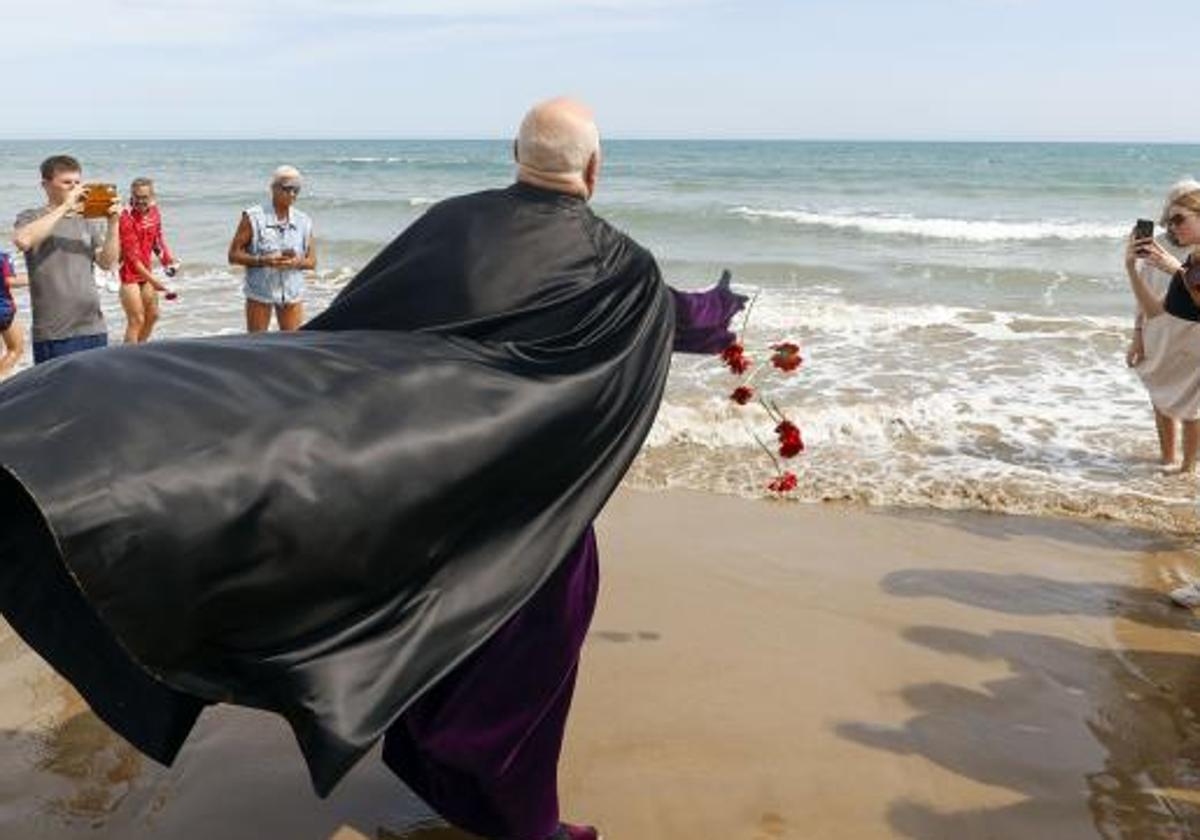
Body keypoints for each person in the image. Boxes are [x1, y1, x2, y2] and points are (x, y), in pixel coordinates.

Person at [0, 99, 744, 840]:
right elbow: (682, 316)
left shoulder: (453, 222)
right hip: (527, 504)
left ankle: (437, 768)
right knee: (534, 635)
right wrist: (733, 313)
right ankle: (523, 824)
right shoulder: (620, 265)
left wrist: (273, 410)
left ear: (513, 154)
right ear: (595, 167)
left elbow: (355, 331)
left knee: (429, 612)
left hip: (428, 490)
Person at [1127, 179, 1200, 609]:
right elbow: (1165, 311)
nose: (1171, 226)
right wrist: (1131, 270)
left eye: (1179, 218)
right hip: (1176, 337)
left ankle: (1188, 464)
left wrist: (1176, 269)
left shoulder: (1186, 264)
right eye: (1168, 219)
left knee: (1191, 409)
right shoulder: (1188, 262)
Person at [11, 155, 119, 363]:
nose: (75, 188)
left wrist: (114, 224)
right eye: (67, 183)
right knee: (57, 395)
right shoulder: (31, 217)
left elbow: (107, 263)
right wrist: (65, 207)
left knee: (95, 393)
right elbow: (23, 240)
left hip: (93, 327)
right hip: (55, 332)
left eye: (78, 183)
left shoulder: (87, 221)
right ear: (45, 185)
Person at [227, 165, 316, 332]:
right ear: (273, 189)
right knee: (257, 345)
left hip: (292, 293)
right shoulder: (253, 217)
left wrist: (296, 263)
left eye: (297, 190)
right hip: (260, 293)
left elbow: (312, 262)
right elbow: (233, 255)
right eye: (287, 189)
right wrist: (264, 260)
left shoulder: (304, 221)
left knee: (292, 346)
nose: (292, 194)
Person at [118, 177, 178, 343]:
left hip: (145, 272)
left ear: (152, 196)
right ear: (132, 195)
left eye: (144, 197)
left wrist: (167, 260)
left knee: (153, 316)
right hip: (129, 274)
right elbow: (133, 260)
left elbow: (157, 241)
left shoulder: (155, 212)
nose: (140, 201)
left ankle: (139, 349)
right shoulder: (126, 217)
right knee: (136, 320)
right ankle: (127, 358)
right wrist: (155, 282)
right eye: (136, 197)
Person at [0, 249, 27, 375]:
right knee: (15, 349)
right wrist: (34, 278)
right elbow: (10, 280)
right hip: (3, 310)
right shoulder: (2, 255)